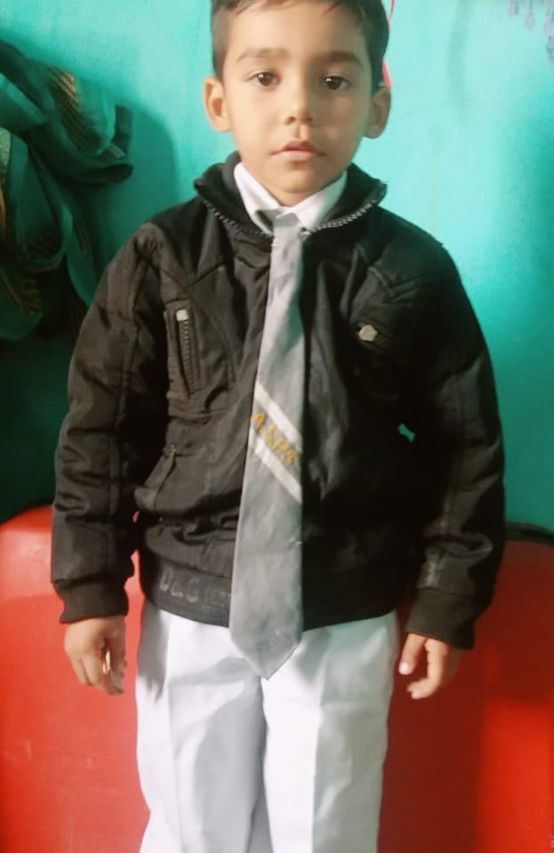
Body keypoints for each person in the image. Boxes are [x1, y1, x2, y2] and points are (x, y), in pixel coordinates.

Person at [51, 1, 505, 851]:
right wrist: (90, 586)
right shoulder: (160, 257)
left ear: (377, 104)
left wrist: (448, 598)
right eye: (265, 76)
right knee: (191, 822)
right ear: (219, 100)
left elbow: (465, 447)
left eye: (333, 80)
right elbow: (101, 432)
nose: (299, 106)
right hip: (192, 597)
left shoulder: (413, 270)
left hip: (344, 600)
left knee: (325, 825)